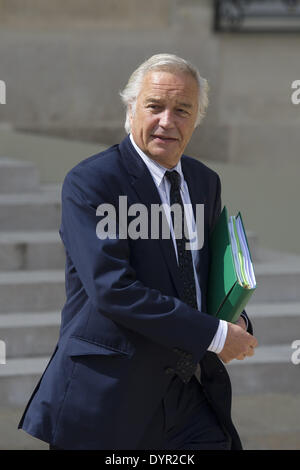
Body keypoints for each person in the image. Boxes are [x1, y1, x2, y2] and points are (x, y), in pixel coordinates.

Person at [18, 53, 258, 450]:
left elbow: (201, 273)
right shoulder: (91, 182)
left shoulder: (204, 181)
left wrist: (233, 316)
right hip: (110, 399)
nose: (168, 121)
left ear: (196, 119)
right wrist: (215, 335)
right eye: (155, 106)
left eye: (182, 110)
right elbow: (113, 288)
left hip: (189, 396)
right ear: (131, 110)